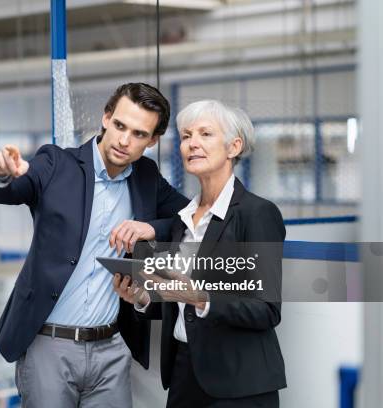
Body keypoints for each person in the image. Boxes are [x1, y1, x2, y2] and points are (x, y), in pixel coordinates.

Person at [0, 83, 189, 407]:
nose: (123, 140)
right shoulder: (56, 164)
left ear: (153, 140)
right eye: (119, 125)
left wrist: (150, 227)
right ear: (106, 118)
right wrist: (3, 175)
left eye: (138, 134)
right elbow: (6, 188)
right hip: (49, 345)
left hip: (111, 348)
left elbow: (189, 218)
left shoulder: (146, 175)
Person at [114, 99, 287, 407]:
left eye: (205, 134)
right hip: (184, 375)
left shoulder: (257, 213)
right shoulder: (184, 219)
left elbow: (267, 310)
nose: (192, 144)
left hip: (240, 384)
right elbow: (178, 302)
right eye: (185, 136)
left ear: (233, 147)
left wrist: (201, 297)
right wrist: (141, 298)